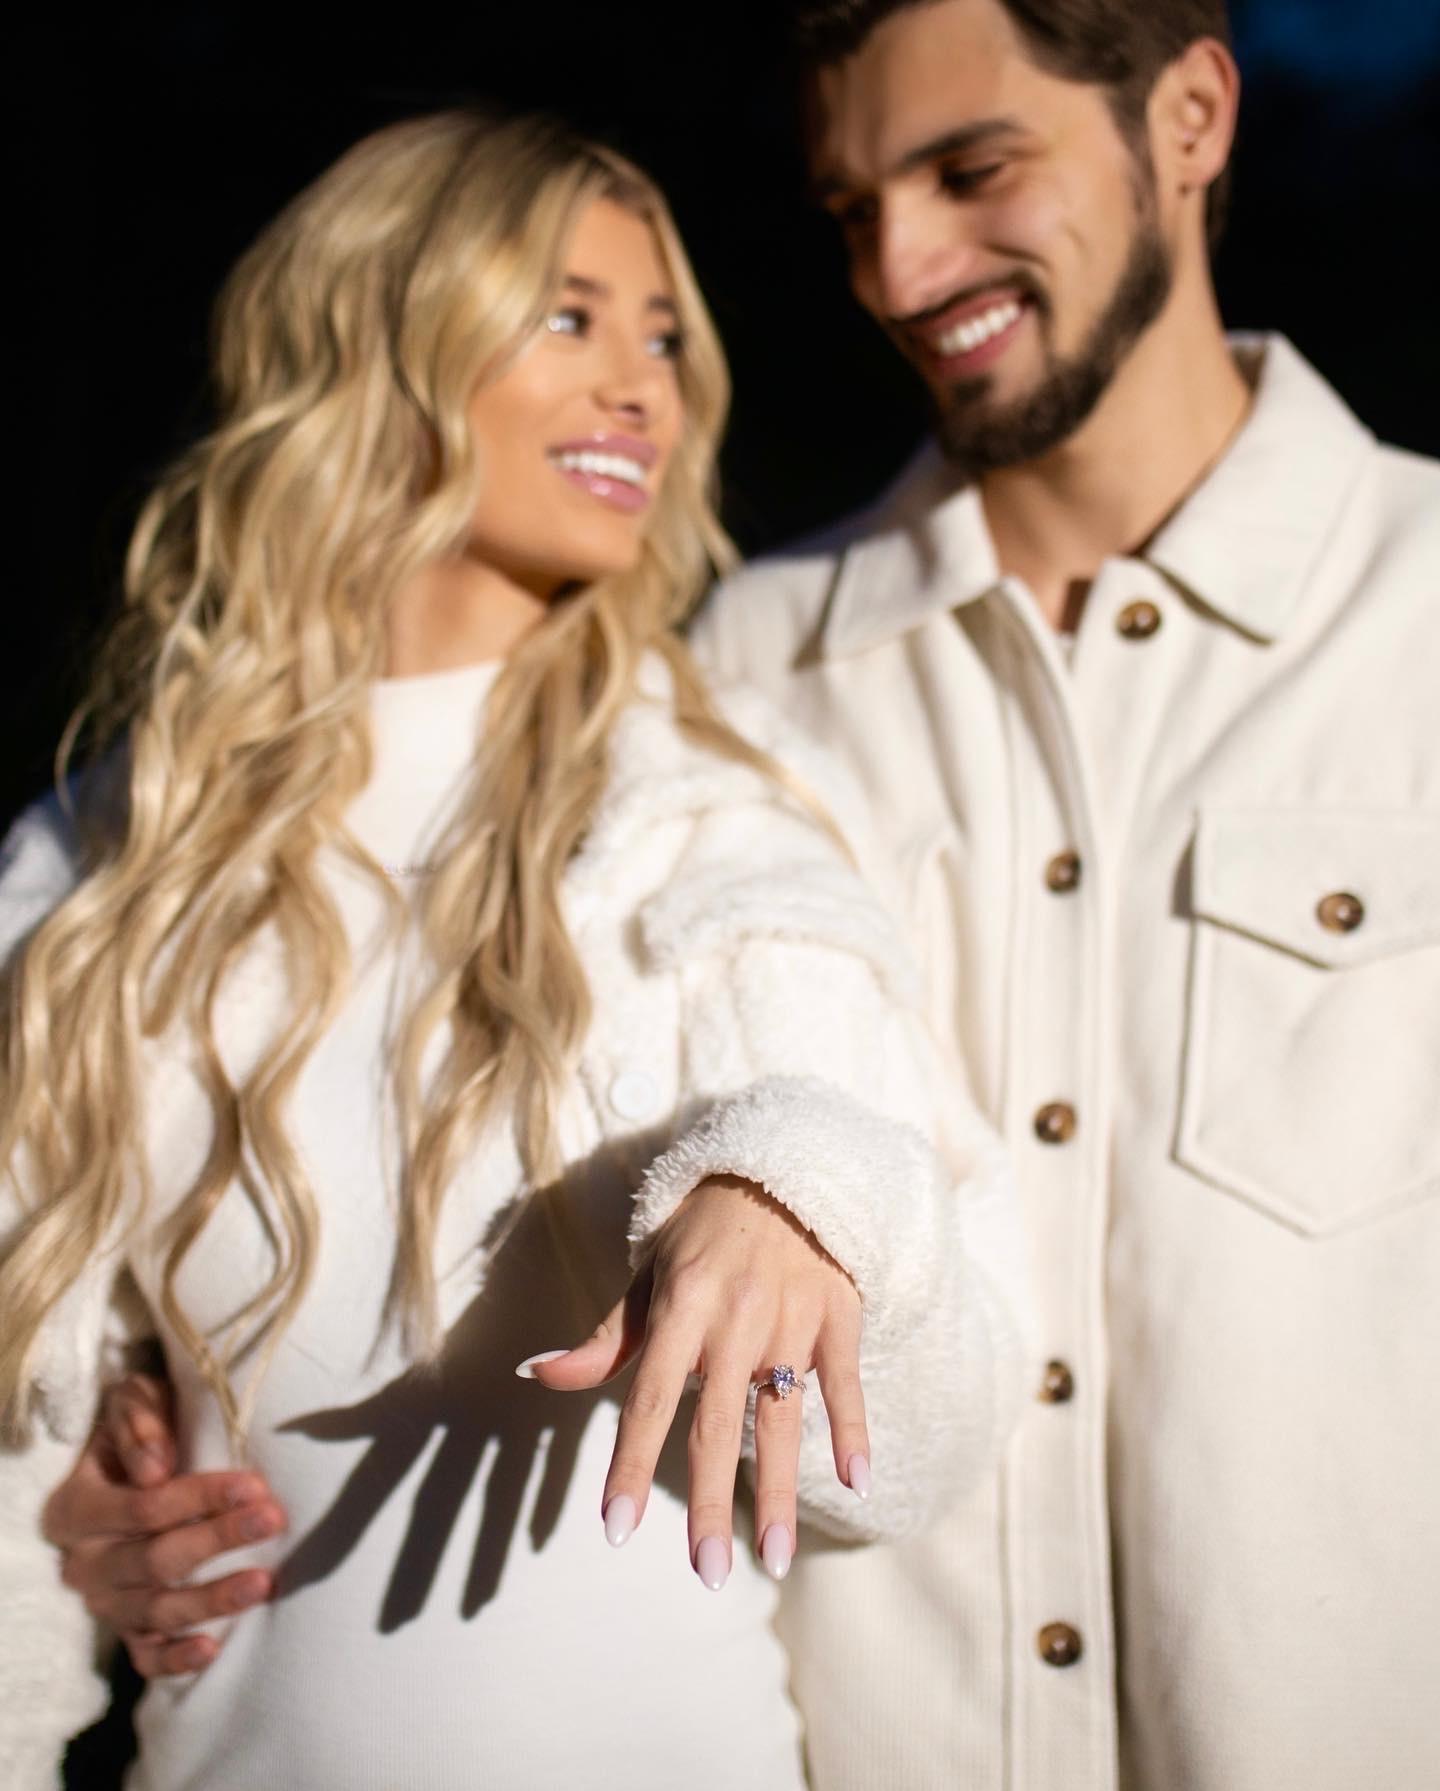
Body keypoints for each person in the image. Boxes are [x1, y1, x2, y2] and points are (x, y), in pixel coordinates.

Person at [41, 3, 1440, 1785]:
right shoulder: (737, 683)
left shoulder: (1421, 620)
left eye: (972, 168)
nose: (901, 271)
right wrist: (96, 1490)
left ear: (1191, 115)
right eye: (852, 209)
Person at [0, 111, 1031, 1790]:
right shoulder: (100, 860)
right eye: (569, 316)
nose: (641, 389)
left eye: (664, 338)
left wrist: (801, 1201)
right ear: (380, 340)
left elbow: (919, 1450)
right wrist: (69, 1531)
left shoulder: (722, 828)